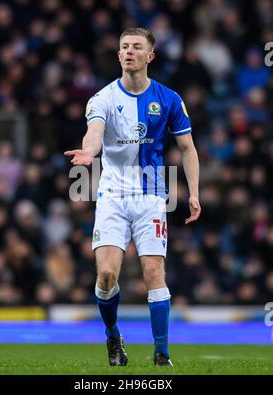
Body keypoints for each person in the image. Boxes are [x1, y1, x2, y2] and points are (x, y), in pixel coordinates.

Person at [64, 28, 201, 367]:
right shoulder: (103, 98)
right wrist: (88, 153)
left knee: (154, 270)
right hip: (111, 194)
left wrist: (194, 193)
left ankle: (161, 353)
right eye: (124, 46)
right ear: (119, 54)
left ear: (150, 56)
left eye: (136, 47)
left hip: (152, 194)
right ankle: (113, 335)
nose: (129, 52)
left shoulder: (168, 98)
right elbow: (94, 131)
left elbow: (187, 148)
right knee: (107, 276)